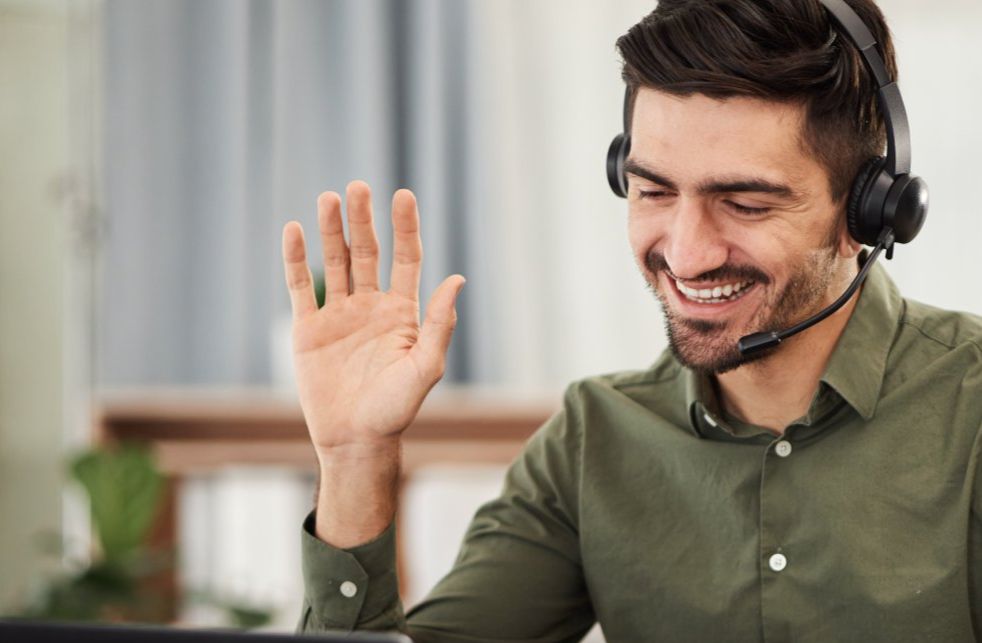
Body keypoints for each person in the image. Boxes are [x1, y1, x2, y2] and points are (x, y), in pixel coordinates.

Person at [280, 0, 982, 640]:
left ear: (871, 212)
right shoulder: (593, 442)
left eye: (745, 204)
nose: (687, 253)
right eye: (653, 191)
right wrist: (355, 460)